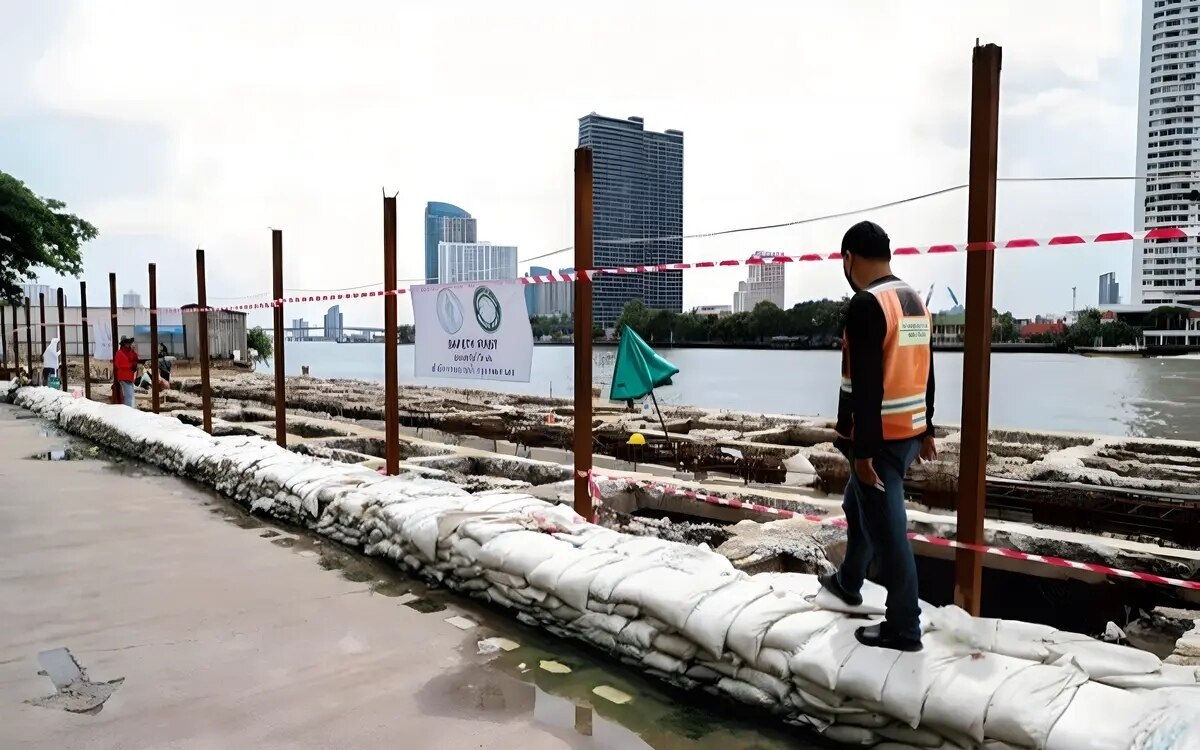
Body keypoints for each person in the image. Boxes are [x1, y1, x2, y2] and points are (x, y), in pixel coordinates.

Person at [819, 220, 936, 653]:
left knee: (889, 531)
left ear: (849, 258)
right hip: (907, 433)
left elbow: (867, 386)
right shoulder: (913, 301)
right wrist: (928, 427)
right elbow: (926, 367)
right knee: (856, 504)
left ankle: (904, 626)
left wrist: (863, 454)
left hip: (879, 441)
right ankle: (850, 581)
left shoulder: (867, 304)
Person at [115, 336, 139, 407]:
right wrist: (131, 365)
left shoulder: (129, 352)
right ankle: (128, 411)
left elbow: (135, 358)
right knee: (129, 396)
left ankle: (130, 410)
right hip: (124, 376)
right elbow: (118, 364)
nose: (129, 344)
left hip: (129, 376)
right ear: (123, 344)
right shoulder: (120, 353)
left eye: (129, 343)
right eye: (127, 343)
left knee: (130, 395)